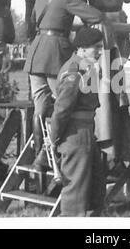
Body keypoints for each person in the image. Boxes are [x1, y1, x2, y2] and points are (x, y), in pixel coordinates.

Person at [23, 0, 104, 171]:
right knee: (64, 101)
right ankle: (47, 153)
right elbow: (96, 16)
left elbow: (33, 21)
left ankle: (38, 155)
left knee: (40, 105)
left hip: (36, 52)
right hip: (54, 52)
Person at [82, 0, 130, 168]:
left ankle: (100, 132)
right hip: (116, 26)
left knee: (94, 73)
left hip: (93, 26)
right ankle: (119, 102)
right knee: (116, 73)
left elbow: (81, 1)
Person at [49, 27, 106, 216]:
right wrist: (54, 138)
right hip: (74, 134)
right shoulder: (74, 70)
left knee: (95, 190)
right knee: (76, 193)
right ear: (81, 49)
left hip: (86, 132)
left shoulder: (86, 67)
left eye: (100, 47)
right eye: (94, 48)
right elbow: (62, 108)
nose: (99, 52)